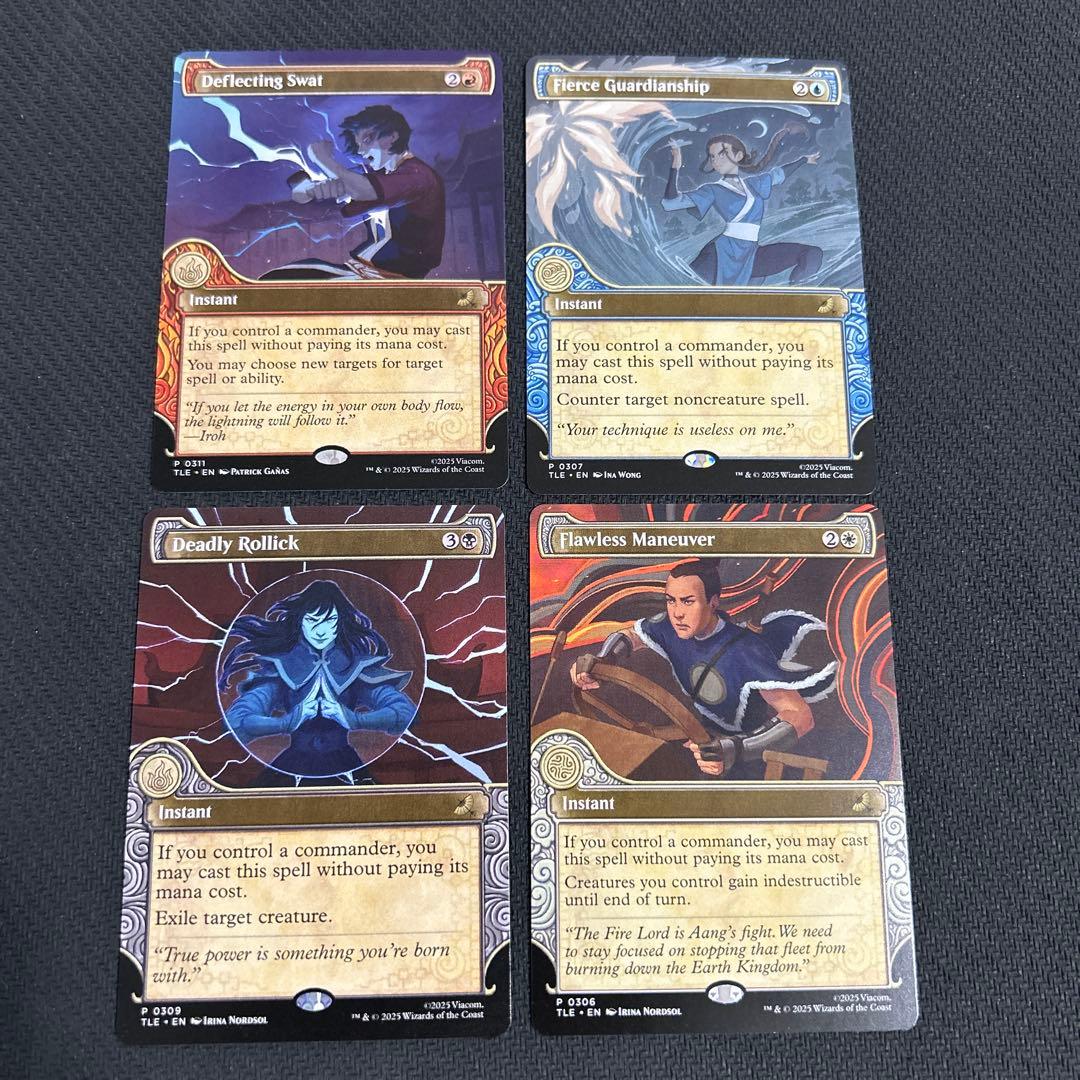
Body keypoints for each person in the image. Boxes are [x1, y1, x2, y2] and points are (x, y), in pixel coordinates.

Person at [569, 560, 835, 776]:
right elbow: (632, 635)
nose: (677, 613)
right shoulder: (669, 627)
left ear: (713, 602)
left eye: (688, 601)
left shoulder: (746, 652)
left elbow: (800, 716)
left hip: (744, 758)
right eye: (671, 600)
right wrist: (602, 660)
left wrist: (734, 749)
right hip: (694, 735)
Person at [219, 579, 416, 778]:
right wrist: (288, 722)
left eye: (330, 621)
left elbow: (405, 712)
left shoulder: (355, 666)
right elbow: (236, 720)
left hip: (344, 763)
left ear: (340, 622)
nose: (321, 631)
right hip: (292, 764)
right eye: (312, 620)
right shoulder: (283, 666)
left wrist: (354, 719)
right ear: (300, 621)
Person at [285, 104, 445, 278]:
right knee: (290, 273)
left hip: (393, 276)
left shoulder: (418, 176)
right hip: (362, 269)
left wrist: (323, 159)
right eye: (359, 144)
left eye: (367, 140)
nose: (361, 151)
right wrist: (309, 189)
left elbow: (362, 189)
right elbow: (349, 185)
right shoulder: (378, 175)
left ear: (393, 136)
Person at [661, 126, 822, 286]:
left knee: (812, 254)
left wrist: (804, 159)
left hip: (751, 253)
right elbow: (670, 203)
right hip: (720, 255)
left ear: (738, 155)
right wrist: (675, 165)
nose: (716, 160)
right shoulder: (712, 190)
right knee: (694, 288)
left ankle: (796, 297)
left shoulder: (754, 184)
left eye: (722, 154)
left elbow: (778, 174)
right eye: (712, 156)